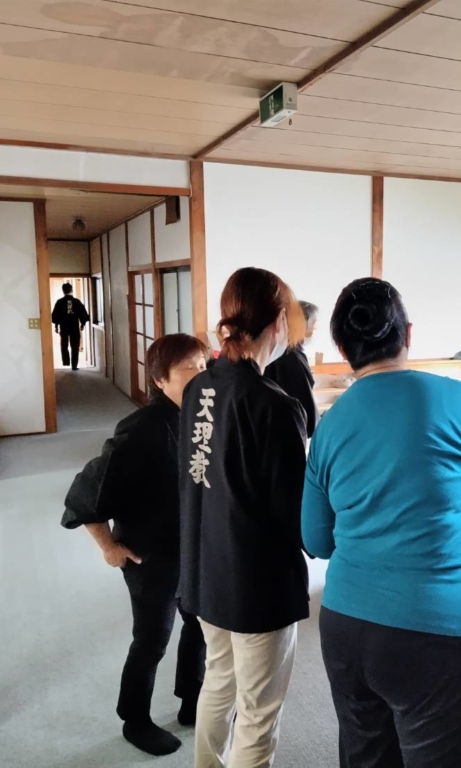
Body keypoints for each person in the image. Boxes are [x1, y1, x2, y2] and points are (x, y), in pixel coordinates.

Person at [302, 277, 461, 768]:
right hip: (442, 637)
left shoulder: (330, 424)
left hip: (346, 630)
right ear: (408, 334)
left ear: (343, 349)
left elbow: (316, 540)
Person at [179, 267, 309, 768]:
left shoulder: (198, 388)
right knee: (258, 713)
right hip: (256, 585)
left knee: (218, 681)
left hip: (205, 570)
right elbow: (294, 514)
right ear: (277, 322)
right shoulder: (274, 405)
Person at [61, 334, 209, 757]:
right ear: (160, 379)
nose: (201, 375)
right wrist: (107, 545)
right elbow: (86, 491)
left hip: (194, 549)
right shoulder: (141, 428)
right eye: (189, 368)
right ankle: (135, 719)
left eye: (204, 365)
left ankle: (192, 700)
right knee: (152, 638)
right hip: (151, 554)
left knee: (200, 626)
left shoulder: (203, 418)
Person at [264, 300, 320, 438]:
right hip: (288, 430)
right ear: (301, 325)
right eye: (313, 324)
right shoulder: (291, 356)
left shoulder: (281, 350)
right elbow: (303, 401)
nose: (315, 329)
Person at [52, 283, 90, 370]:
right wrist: (82, 324)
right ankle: (74, 365)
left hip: (64, 326)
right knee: (75, 346)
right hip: (74, 326)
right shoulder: (76, 302)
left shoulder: (59, 302)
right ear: (71, 290)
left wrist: (56, 326)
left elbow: (55, 315)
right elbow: (82, 313)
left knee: (64, 344)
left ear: (63, 291)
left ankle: (66, 361)